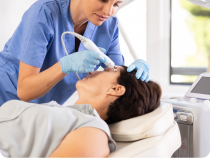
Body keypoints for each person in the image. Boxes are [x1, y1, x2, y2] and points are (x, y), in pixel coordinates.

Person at [0, 0, 150, 106]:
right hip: (6, 99)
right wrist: (65, 65)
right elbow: (24, 91)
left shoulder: (109, 26)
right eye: (103, 0)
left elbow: (115, 73)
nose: (108, 11)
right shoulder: (44, 13)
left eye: (116, 4)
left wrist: (133, 74)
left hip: (39, 112)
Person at [0, 66, 161, 158]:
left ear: (115, 89)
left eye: (107, 69)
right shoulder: (61, 111)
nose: (92, 70)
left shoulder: (93, 131)